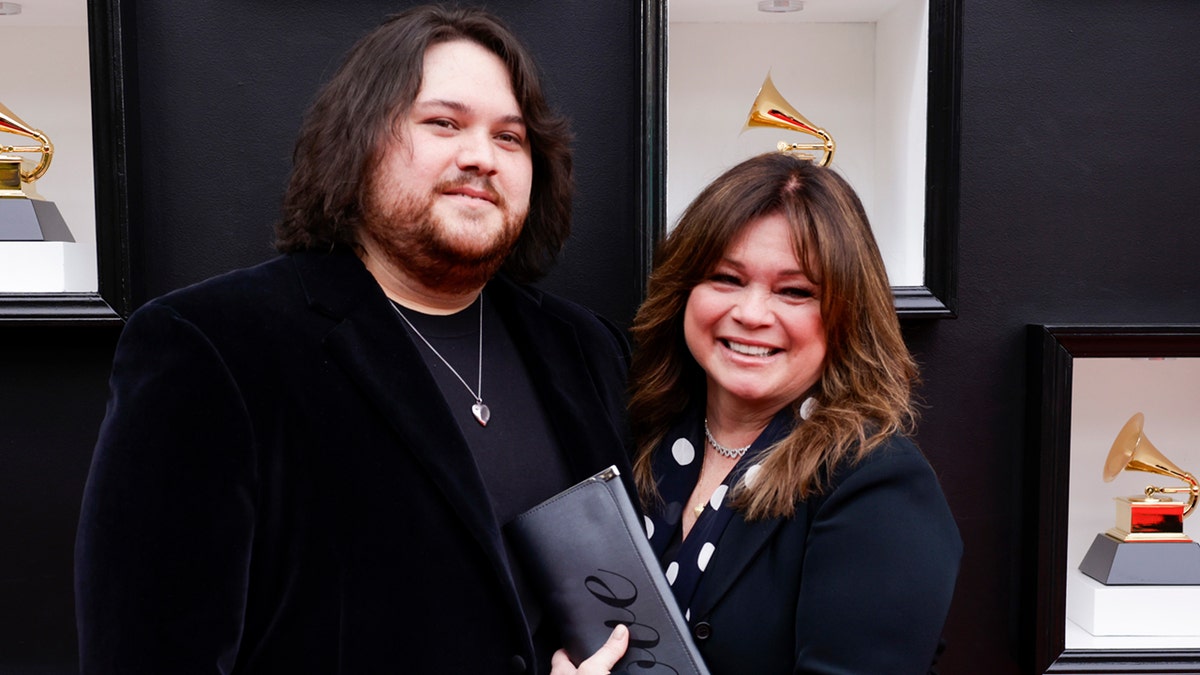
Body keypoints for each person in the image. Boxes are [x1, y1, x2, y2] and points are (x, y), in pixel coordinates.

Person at [75, 6, 634, 673]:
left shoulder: (584, 348)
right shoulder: (212, 347)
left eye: (510, 138)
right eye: (443, 123)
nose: (481, 157)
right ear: (357, 141)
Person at [558, 152, 962, 675]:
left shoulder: (878, 483)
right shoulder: (639, 439)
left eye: (795, 291)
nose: (750, 314)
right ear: (683, 292)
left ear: (846, 316)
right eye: (726, 278)